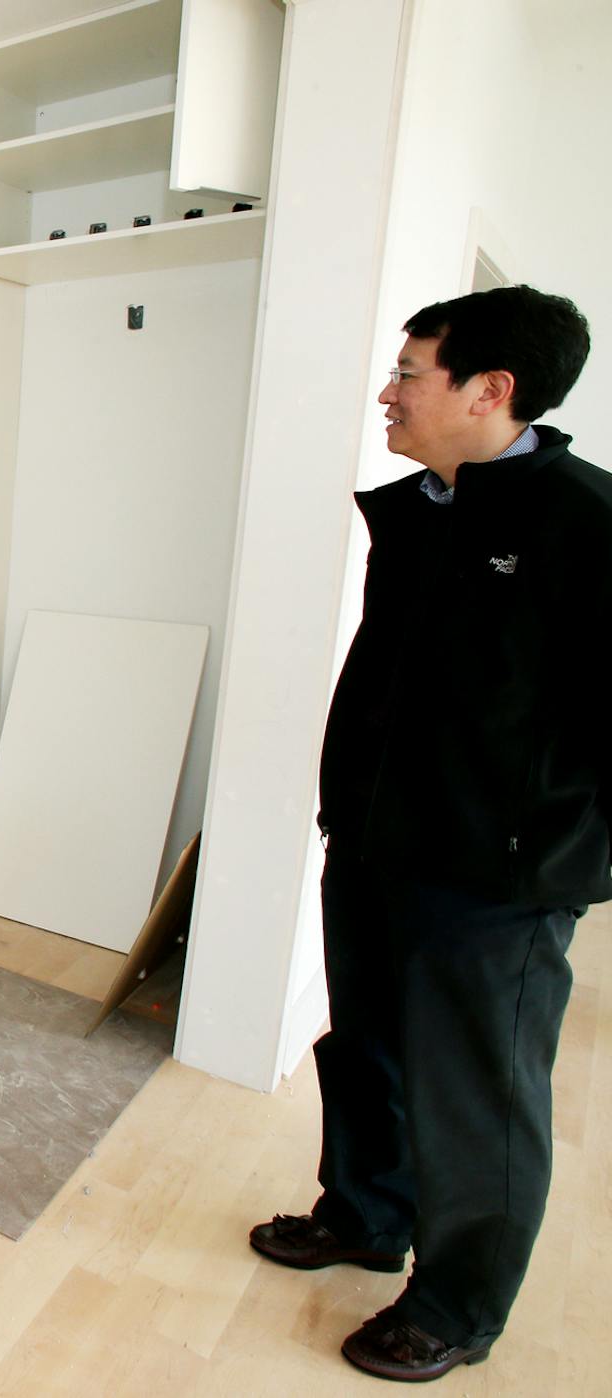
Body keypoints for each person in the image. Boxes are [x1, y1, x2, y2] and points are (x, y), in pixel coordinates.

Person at [249, 285, 607, 1383]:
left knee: (478, 1097)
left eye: (410, 373)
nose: (388, 393)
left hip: (497, 879)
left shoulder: (587, 522)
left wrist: (546, 858)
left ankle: (457, 1305)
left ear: (490, 390)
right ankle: (364, 1212)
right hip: (374, 844)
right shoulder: (419, 513)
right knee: (364, 1049)